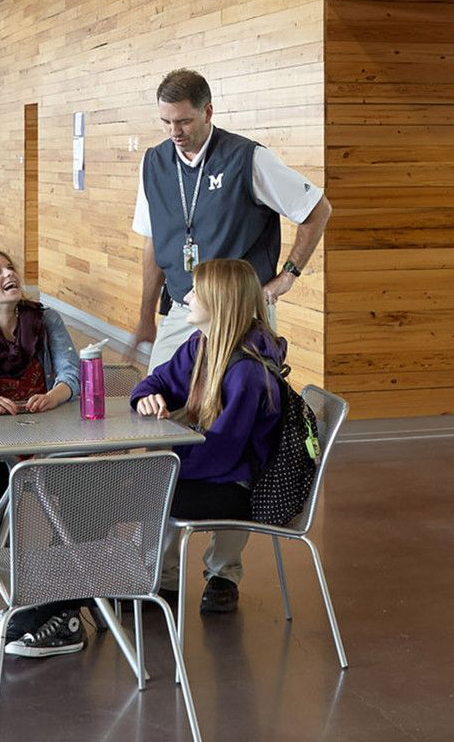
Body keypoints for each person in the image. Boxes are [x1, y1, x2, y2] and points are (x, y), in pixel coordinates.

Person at [128, 68, 330, 615]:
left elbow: (318, 210)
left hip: (240, 314)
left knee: (235, 437)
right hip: (184, 308)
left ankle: (223, 573)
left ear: (208, 112)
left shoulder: (248, 159)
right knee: (158, 427)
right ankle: (159, 574)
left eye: (184, 121)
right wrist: (146, 316)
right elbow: (152, 245)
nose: (175, 132)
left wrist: (286, 277)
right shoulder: (154, 163)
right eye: (166, 122)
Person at [0, 247, 88, 660]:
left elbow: (72, 372)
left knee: (77, 500)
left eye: (9, 267)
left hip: (52, 437)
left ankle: (61, 594)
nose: (8, 274)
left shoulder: (45, 320)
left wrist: (55, 394)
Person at [130, 259, 289, 598]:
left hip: (239, 488)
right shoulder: (201, 343)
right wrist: (147, 396)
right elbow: (159, 380)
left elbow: (222, 453)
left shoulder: (248, 373)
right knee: (144, 484)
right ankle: (159, 580)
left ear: (219, 302)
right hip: (215, 473)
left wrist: (167, 466)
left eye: (195, 292)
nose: (186, 298)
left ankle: (157, 581)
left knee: (146, 492)